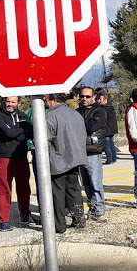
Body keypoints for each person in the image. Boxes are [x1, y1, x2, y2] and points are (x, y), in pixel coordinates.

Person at [44, 93, 87, 234]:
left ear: (53, 99)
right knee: (74, 189)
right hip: (75, 158)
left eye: (46, 99)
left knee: (57, 194)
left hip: (58, 160)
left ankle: (59, 226)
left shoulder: (50, 116)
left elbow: (45, 139)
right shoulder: (75, 114)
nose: (45, 101)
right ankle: (79, 219)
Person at [0, 96, 34, 231]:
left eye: (13, 102)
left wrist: (18, 133)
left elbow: (31, 132)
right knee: (4, 189)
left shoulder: (23, 116)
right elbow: (8, 133)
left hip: (21, 156)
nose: (9, 104)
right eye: (8, 101)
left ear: (18, 103)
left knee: (24, 188)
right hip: (4, 156)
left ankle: (25, 214)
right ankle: (3, 220)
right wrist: (22, 132)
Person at [77, 86, 108, 221]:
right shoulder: (77, 112)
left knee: (95, 182)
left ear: (94, 97)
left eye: (87, 96)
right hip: (80, 151)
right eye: (82, 96)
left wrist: (79, 125)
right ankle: (92, 208)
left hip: (93, 151)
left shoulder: (100, 111)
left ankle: (99, 210)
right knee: (86, 183)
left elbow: (92, 127)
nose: (84, 99)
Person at [95, 88, 119, 164]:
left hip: (106, 129)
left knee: (107, 145)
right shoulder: (110, 106)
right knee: (111, 144)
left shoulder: (103, 108)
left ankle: (109, 159)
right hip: (112, 128)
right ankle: (114, 158)